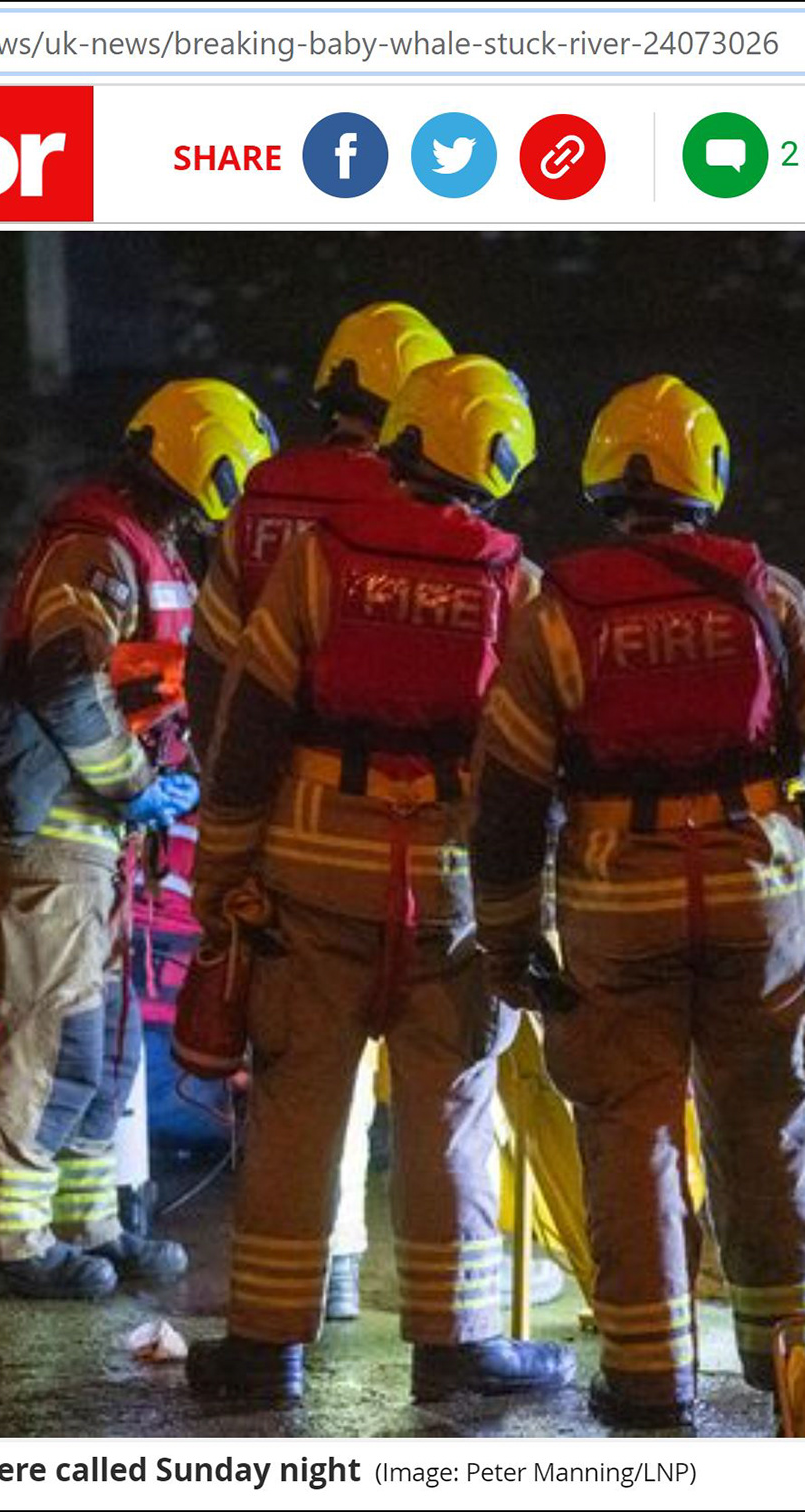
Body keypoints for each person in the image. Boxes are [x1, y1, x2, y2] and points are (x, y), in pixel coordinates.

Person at [184, 354, 575, 1405]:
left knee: (297, 1111)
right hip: (448, 892)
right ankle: (456, 1348)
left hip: (310, 880)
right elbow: (535, 771)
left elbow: (248, 727)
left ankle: (264, 1350)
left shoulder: (321, 560)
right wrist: (525, 915)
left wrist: (221, 875)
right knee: (450, 1113)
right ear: (499, 459)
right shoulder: (516, 584)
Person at [471, 375, 805, 1430]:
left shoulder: (559, 617)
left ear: (604, 477)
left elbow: (507, 794)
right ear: (709, 475)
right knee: (768, 1123)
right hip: (758, 892)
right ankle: (800, 1369)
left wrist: (509, 940)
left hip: (614, 898)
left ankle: (648, 1377)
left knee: (628, 1131)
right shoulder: (769, 598)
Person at [0, 379, 277, 1299]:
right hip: (60, 830)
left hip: (96, 836)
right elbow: (66, 678)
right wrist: (136, 785)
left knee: (101, 1042)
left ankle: (85, 1221)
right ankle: (5, 1238)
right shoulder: (98, 549)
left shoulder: (153, 546)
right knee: (45, 1034)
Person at [186, 301, 453, 1320]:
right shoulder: (426, 514)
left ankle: (304, 1294)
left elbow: (215, 672)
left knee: (297, 1077)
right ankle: (449, 1318)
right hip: (418, 847)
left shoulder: (260, 502)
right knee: (440, 1093)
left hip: (280, 825)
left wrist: (228, 829)